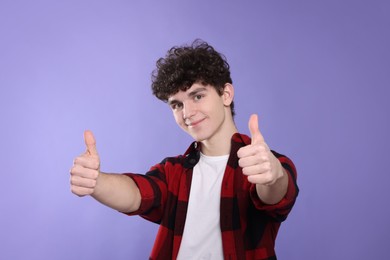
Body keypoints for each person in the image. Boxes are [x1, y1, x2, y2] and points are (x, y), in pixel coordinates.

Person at [70, 39, 299, 260]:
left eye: (197, 96)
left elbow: (276, 195)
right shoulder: (174, 170)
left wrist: (273, 176)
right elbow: (136, 195)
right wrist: (96, 182)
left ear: (226, 94)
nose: (187, 113)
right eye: (177, 105)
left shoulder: (263, 163)